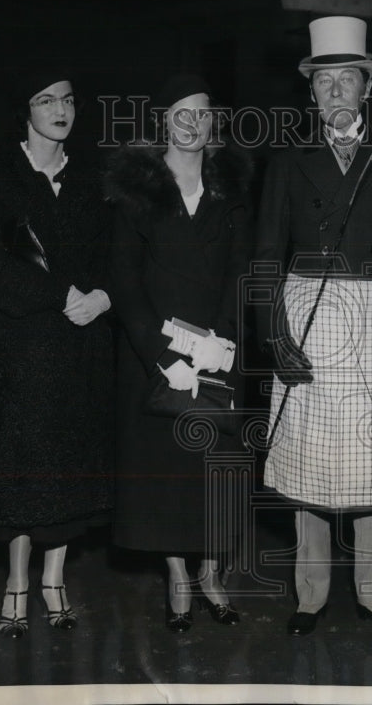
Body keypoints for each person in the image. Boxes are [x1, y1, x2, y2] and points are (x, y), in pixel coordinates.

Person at [255, 16, 372, 639]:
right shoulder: (286, 159)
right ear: (311, 92)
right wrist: (273, 333)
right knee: (310, 461)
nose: (336, 92)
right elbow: (262, 258)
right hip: (308, 313)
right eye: (324, 81)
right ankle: (310, 595)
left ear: (366, 88)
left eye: (347, 80)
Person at [0, 64, 114, 638]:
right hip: (24, 344)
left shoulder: (92, 176)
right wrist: (59, 293)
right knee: (24, 467)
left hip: (83, 343)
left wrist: (102, 297)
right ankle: (16, 582)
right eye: (46, 100)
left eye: (68, 100)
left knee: (71, 467)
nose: (60, 110)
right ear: (24, 111)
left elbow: (113, 253)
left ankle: (55, 581)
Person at [105, 74, 253, 633]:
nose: (194, 123)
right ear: (163, 121)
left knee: (214, 473)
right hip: (157, 358)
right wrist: (161, 355)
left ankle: (212, 573)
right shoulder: (135, 191)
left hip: (218, 352)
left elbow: (242, 268)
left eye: (204, 113)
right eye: (181, 113)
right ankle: (177, 576)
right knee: (164, 471)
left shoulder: (230, 190)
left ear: (214, 123)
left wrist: (221, 340)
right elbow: (124, 278)